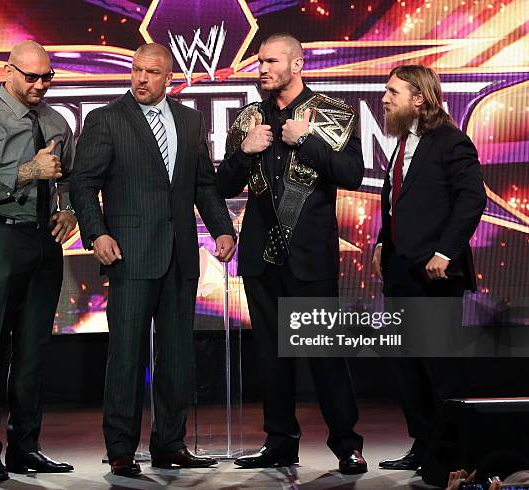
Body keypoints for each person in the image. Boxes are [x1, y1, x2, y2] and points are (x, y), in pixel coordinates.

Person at [70, 43, 235, 477]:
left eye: (152, 72)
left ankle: (170, 444)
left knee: (177, 356)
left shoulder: (190, 119)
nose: (141, 78)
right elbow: (83, 185)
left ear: (169, 78)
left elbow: (203, 185)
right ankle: (121, 448)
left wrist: (222, 227)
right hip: (129, 253)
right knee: (126, 356)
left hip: (180, 256)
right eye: (137, 70)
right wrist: (96, 233)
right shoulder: (106, 119)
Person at [216, 33, 367, 474]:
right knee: (271, 357)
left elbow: (353, 175)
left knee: (325, 357)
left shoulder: (333, 114)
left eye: (271, 61)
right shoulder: (247, 119)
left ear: (297, 64)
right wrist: (244, 153)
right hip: (262, 259)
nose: (262, 68)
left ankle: (346, 444)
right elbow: (222, 186)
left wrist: (309, 142)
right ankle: (280, 441)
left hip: (310, 259)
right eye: (259, 62)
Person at [0, 40, 76, 481]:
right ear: (8, 73)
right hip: (1, 235)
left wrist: (70, 210)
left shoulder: (57, 120)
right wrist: (27, 171)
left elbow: (70, 178)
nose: (41, 85)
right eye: (32, 77)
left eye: (48, 77)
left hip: (45, 239)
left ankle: (27, 447)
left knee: (32, 352)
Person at [373, 65, 487, 471]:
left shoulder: (451, 141)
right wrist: (383, 240)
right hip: (401, 274)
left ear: (419, 98)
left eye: (392, 92)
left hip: (435, 275)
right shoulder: (405, 143)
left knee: (439, 368)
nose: (384, 98)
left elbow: (472, 200)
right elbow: (398, 202)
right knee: (407, 367)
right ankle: (423, 446)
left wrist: (446, 252)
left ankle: (452, 452)